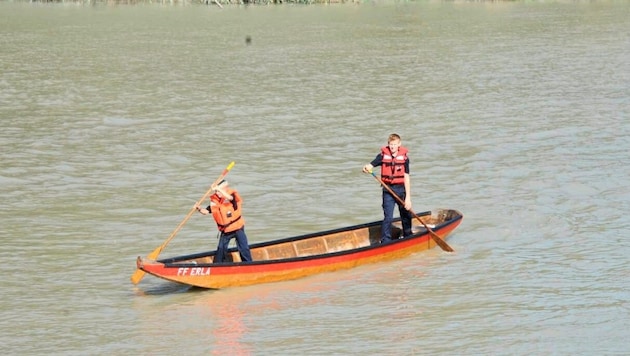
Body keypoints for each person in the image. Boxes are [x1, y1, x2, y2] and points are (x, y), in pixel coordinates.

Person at [362, 133, 413, 243]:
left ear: (399, 144)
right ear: (388, 144)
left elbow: (406, 177)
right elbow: (370, 165)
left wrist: (408, 198)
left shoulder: (404, 159)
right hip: (388, 190)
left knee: (406, 215)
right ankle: (386, 241)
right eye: (391, 144)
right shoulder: (382, 156)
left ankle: (408, 236)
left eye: (395, 144)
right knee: (388, 217)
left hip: (401, 190)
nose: (392, 147)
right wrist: (366, 168)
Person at [195, 180, 253, 263]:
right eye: (216, 191)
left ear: (224, 189)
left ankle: (248, 264)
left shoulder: (231, 195)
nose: (217, 193)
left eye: (218, 191)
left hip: (237, 227)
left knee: (243, 248)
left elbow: (230, 198)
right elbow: (206, 211)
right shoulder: (216, 201)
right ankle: (219, 265)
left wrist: (218, 188)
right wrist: (199, 208)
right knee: (221, 249)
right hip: (226, 230)